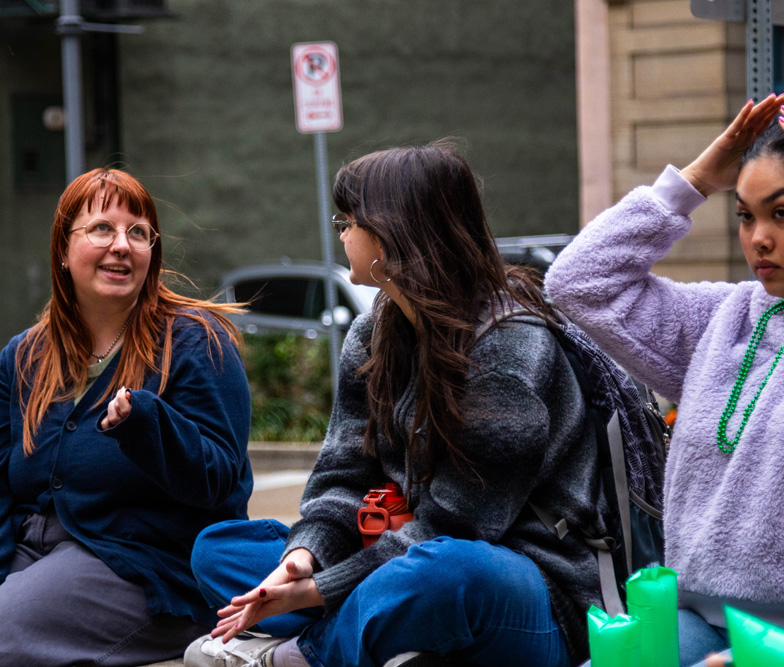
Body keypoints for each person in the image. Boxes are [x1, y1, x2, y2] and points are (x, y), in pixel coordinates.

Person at [184, 141, 613, 667]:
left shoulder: (509, 344)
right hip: (393, 552)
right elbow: (342, 477)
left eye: (349, 220)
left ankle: (299, 655)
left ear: (393, 232)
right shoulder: (372, 334)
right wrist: (304, 558)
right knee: (218, 549)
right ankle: (389, 636)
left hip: (532, 589)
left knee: (443, 573)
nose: (341, 233)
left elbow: (454, 528)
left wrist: (317, 592)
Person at [0, 168, 253, 666]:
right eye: (102, 228)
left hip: (141, 565)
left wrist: (146, 424)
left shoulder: (195, 342)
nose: (122, 245)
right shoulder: (24, 357)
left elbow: (220, 481)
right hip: (27, 549)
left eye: (138, 232)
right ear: (63, 250)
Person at [544, 93, 784, 667]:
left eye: (783, 213)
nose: (760, 239)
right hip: (695, 621)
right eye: (746, 215)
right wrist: (698, 179)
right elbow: (579, 283)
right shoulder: (725, 319)